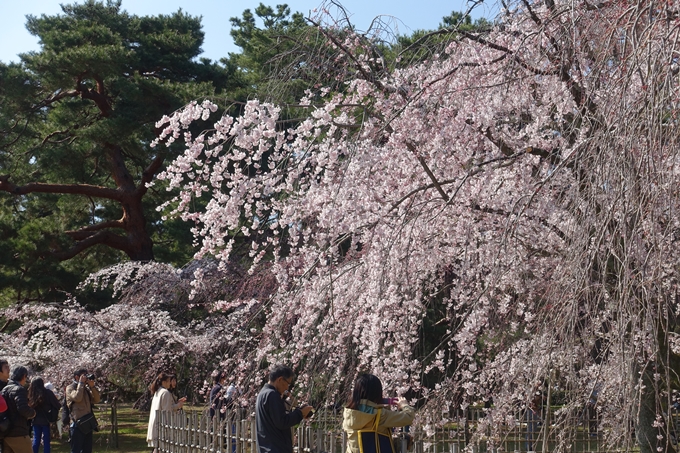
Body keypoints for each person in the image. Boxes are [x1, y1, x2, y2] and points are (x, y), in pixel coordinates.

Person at [342, 374, 415, 453]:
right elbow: (409, 416)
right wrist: (404, 405)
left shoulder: (349, 413)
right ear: (377, 393)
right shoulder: (379, 415)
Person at [255, 365, 312, 453]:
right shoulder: (272, 395)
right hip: (276, 448)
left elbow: (276, 418)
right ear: (280, 379)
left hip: (267, 447)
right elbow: (282, 422)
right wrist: (300, 413)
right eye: (288, 383)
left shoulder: (263, 393)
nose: (287, 388)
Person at [146, 372, 184, 453]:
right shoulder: (165, 392)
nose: (170, 383)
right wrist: (178, 406)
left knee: (157, 448)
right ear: (164, 382)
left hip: (155, 423)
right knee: (161, 448)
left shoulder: (158, 391)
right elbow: (167, 411)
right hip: (161, 424)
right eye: (169, 381)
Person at [1, 366, 36, 453]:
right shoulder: (19, 389)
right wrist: (33, 413)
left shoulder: (4, 390)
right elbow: (23, 408)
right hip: (19, 433)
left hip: (6, 432)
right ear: (24, 376)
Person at [65, 369, 100, 453]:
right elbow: (77, 398)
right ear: (77, 377)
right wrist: (80, 384)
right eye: (83, 375)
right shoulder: (70, 388)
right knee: (76, 450)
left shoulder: (86, 389)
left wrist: (92, 387)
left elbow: (97, 399)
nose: (86, 377)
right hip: (77, 425)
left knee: (87, 450)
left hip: (87, 423)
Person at [28, 377, 61, 453]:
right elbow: (57, 405)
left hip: (35, 419)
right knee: (46, 440)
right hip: (46, 419)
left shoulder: (31, 394)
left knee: (36, 439)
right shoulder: (48, 393)